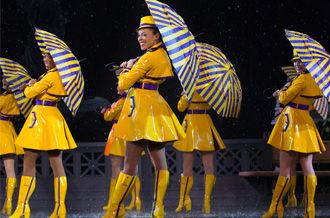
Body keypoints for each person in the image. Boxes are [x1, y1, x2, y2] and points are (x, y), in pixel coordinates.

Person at [103, 15, 185, 218]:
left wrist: (125, 69)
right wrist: (132, 66)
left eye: (145, 35)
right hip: (155, 108)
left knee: (129, 164)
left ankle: (115, 210)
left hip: (140, 110)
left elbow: (122, 85)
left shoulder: (148, 58)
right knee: (160, 163)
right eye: (139, 35)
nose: (140, 39)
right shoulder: (161, 56)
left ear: (157, 36)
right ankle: (158, 209)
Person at [9, 52, 77, 218]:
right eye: (45, 57)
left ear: (58, 60)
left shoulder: (51, 77)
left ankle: (22, 207)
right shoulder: (57, 76)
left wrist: (28, 86)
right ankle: (60, 209)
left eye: (50, 57)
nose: (46, 60)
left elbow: (29, 94)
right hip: (53, 117)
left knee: (29, 160)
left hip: (41, 118)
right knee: (56, 163)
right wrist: (34, 83)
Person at [263, 50, 325, 218]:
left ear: (308, 63)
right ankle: (310, 209)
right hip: (306, 123)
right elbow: (311, 105)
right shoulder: (313, 80)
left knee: (285, 170)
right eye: (295, 61)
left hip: (292, 124)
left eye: (301, 61)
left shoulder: (301, 80)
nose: (297, 64)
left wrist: (279, 92)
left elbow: (284, 99)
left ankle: (274, 207)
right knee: (307, 167)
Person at [173, 91, 226, 214]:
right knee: (187, 167)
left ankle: (206, 201)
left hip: (203, 125)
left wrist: (191, 94)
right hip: (192, 124)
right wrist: (186, 96)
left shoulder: (207, 88)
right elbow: (180, 108)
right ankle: (184, 200)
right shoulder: (194, 87)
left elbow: (215, 105)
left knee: (208, 167)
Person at [101, 90, 142, 212]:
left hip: (118, 134)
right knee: (132, 167)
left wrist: (107, 110)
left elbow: (108, 117)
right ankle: (136, 200)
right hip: (131, 132)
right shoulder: (135, 99)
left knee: (116, 167)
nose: (118, 85)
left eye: (120, 82)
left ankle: (115, 201)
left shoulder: (122, 101)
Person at [0, 78, 24, 216]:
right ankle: (8, 203)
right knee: (10, 171)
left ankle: (8, 203)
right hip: (8, 131)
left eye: (7, 80)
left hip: (2, 130)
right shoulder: (16, 98)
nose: (4, 81)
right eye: (3, 79)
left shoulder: (7, 97)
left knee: (10, 171)